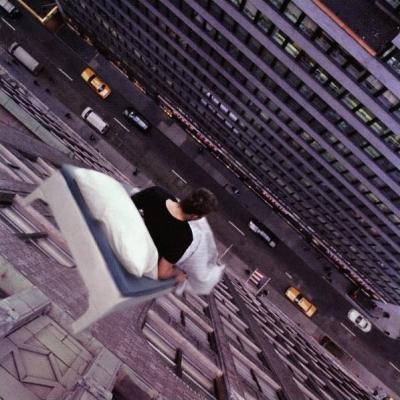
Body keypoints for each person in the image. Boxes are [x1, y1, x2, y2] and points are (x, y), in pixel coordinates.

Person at [131, 186, 218, 283]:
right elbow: (162, 273)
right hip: (136, 256)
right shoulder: (185, 236)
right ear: (194, 216)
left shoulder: (157, 192)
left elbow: (126, 204)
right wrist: (177, 272)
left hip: (128, 234)